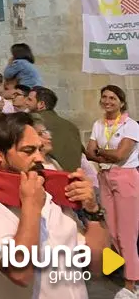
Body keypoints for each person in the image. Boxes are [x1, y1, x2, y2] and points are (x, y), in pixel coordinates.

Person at [0, 112, 106, 299]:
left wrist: (93, 210)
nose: (39, 158)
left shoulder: (46, 190)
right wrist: (31, 207)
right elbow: (20, 273)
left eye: (40, 149)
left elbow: (98, 265)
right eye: (28, 151)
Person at [85, 85, 139, 297]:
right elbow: (88, 153)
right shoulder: (98, 124)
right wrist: (102, 154)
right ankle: (132, 274)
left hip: (125, 177)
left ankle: (130, 283)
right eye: (104, 97)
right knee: (113, 232)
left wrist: (99, 152)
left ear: (121, 102)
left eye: (113, 98)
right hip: (105, 177)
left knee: (127, 233)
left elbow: (120, 155)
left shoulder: (130, 125)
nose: (108, 101)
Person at [28, 87, 83, 172]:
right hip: (73, 177)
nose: (26, 102)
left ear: (41, 104)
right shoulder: (71, 126)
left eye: (29, 100)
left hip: (47, 175)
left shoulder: (32, 123)